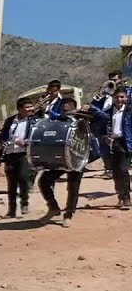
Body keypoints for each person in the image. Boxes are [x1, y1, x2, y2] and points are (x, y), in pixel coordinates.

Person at [38, 97, 86, 227]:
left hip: (77, 158)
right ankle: (53, 208)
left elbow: (103, 118)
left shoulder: (84, 121)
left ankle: (69, 214)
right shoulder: (58, 121)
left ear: (74, 109)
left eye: (68, 110)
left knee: (73, 187)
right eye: (63, 110)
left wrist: (92, 109)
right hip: (59, 158)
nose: (65, 112)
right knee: (43, 182)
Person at [0, 97, 38, 219]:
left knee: (23, 178)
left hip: (24, 153)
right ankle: (11, 210)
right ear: (19, 109)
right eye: (27, 107)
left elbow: (37, 138)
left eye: (31, 106)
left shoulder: (34, 121)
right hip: (10, 153)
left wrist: (25, 142)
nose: (30, 109)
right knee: (11, 183)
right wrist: (3, 142)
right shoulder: (10, 120)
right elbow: (4, 134)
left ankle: (24, 203)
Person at [92, 87, 131, 210]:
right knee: (115, 172)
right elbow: (99, 128)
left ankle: (126, 198)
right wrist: (105, 138)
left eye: (122, 97)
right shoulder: (107, 112)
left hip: (125, 143)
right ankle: (121, 196)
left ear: (126, 97)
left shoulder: (130, 111)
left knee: (123, 170)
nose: (120, 99)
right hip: (111, 144)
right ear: (113, 98)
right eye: (117, 97)